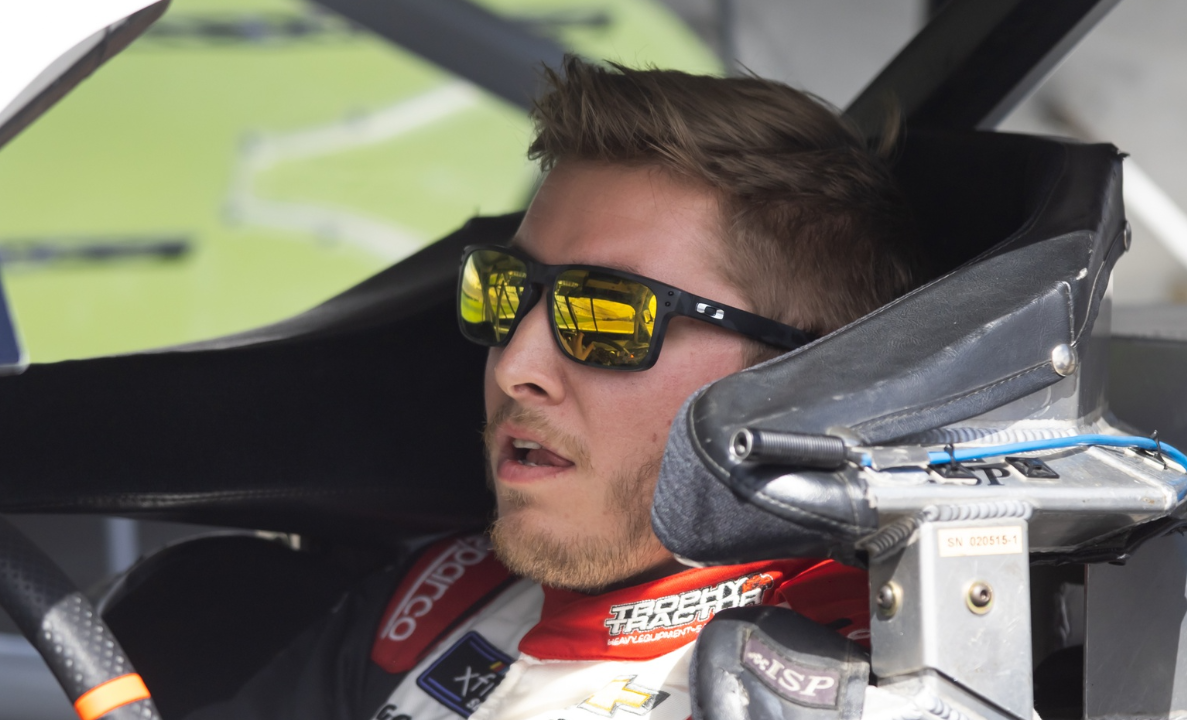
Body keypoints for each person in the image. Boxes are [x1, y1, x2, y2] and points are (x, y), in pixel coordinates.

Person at [188, 56, 924, 720]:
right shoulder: (438, 602)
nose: (516, 365)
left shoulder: (864, 680)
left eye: (606, 316)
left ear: (807, 375)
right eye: (507, 292)